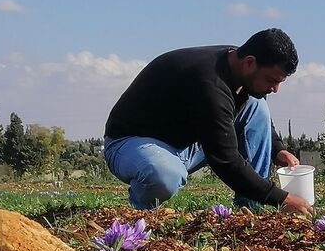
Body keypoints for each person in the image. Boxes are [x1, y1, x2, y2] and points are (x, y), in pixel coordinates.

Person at [104, 28, 309, 213]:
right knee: (163, 176)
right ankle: (142, 210)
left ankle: (250, 208)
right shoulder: (209, 83)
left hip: (185, 145)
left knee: (257, 106)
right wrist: (281, 199)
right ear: (249, 62)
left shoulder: (238, 64)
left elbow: (253, 116)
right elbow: (225, 159)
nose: (275, 89)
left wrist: (277, 148)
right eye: (272, 80)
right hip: (131, 144)